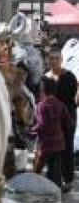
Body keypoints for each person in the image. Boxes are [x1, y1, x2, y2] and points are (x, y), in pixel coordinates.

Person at [31, 76, 75, 188]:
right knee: (55, 170)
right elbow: (69, 123)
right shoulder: (60, 104)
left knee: (37, 168)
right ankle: (56, 190)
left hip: (45, 144)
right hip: (59, 143)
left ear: (42, 91)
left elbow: (42, 124)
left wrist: (31, 132)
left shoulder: (41, 106)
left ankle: (31, 187)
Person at [44, 46, 78, 191]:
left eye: (57, 58)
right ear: (48, 60)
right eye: (51, 58)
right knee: (51, 149)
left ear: (62, 60)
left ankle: (68, 179)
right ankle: (53, 179)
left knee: (67, 148)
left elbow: (75, 98)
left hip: (67, 119)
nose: (54, 61)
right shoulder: (45, 77)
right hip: (50, 120)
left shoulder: (70, 77)